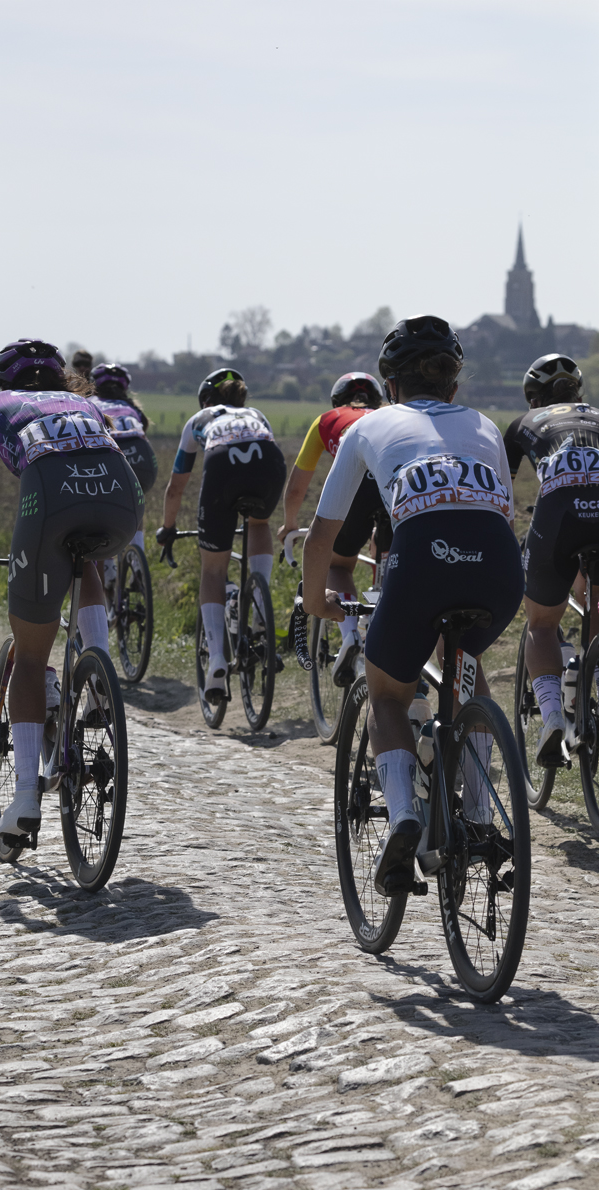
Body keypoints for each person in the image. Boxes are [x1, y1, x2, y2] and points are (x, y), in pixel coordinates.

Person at [302, 315, 523, 893]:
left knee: (387, 694)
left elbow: (322, 535)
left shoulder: (369, 426)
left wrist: (313, 600)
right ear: (454, 387)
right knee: (466, 671)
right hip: (498, 566)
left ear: (389, 385)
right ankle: (478, 816)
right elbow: (503, 512)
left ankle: (402, 813)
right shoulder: (484, 425)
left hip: (423, 557)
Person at [0, 339, 143, 838]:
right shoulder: (87, 403)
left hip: (51, 501)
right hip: (122, 501)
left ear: (4, 381)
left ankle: (26, 798)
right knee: (88, 558)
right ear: (58, 378)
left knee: (30, 659)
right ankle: (98, 672)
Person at [156, 368, 287, 697]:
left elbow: (175, 488)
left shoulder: (198, 420)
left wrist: (168, 528)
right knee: (258, 522)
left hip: (222, 466)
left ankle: (216, 660)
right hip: (268, 462)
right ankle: (260, 604)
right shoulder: (257, 414)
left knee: (213, 569)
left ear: (205, 400)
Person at [503, 354, 597, 762]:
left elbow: (503, 499)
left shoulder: (523, 424)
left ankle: (553, 717)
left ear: (533, 398)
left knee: (541, 624)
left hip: (559, 509)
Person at [278, 372, 385, 682]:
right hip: (394, 487)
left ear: (338, 400)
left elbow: (298, 487)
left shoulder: (327, 419)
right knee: (395, 563)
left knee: (339, 565)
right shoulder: (388, 416)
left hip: (357, 489)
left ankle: (350, 633)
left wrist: (289, 524)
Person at [90, 363, 158, 607]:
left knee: (98, 511)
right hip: (143, 456)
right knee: (136, 499)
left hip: (111, 455)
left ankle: (106, 569)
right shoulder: (132, 408)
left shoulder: (90, 404)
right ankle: (137, 558)